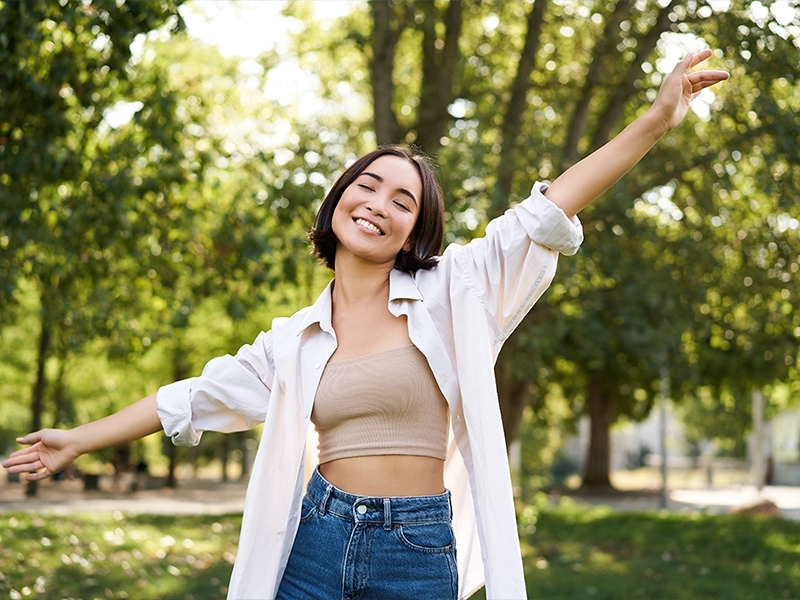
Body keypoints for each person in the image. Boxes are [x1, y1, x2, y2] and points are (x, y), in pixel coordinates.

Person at [3, 50, 728, 599]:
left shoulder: (458, 289)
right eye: (367, 184)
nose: (379, 202)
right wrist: (76, 440)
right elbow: (188, 398)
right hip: (316, 537)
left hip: (415, 548)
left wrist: (658, 118)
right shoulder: (296, 338)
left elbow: (552, 207)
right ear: (340, 199)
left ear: (416, 229)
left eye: (404, 200)